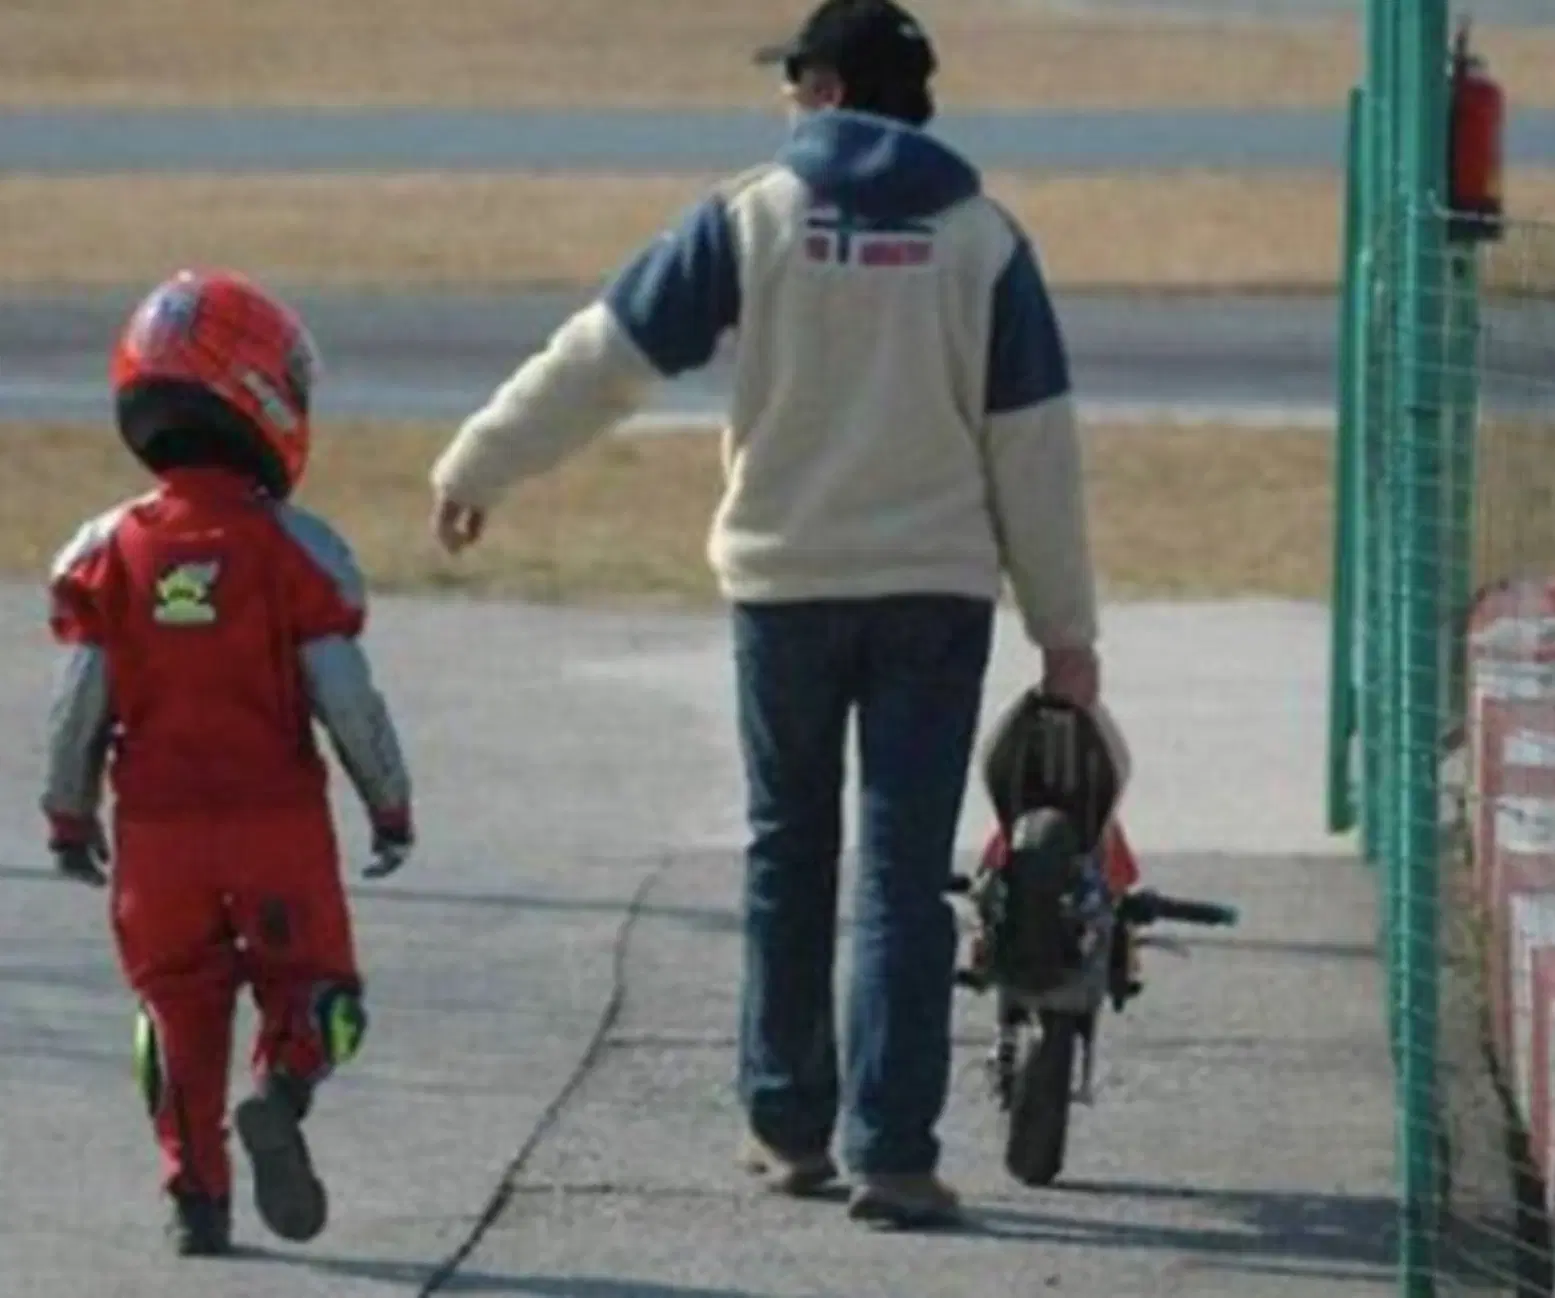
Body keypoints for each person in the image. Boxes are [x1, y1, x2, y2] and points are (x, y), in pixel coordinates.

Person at [424, 0, 1100, 1230]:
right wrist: (1067, 634)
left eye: (794, 85)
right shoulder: (983, 238)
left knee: (789, 850)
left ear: (830, 93)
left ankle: (788, 1126)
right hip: (933, 599)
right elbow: (1034, 446)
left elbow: (605, 353)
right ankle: (892, 1150)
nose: (783, 106)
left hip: (782, 593)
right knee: (902, 870)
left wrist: (477, 463)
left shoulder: (752, 215)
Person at [40, 268, 415, 1256]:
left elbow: (79, 703)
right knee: (321, 990)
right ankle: (282, 1086)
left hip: (156, 833)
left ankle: (195, 1199)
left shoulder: (105, 549)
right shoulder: (296, 547)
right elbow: (346, 693)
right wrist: (391, 802)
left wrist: (67, 814)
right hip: (275, 824)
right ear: (255, 391)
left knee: (174, 1007)